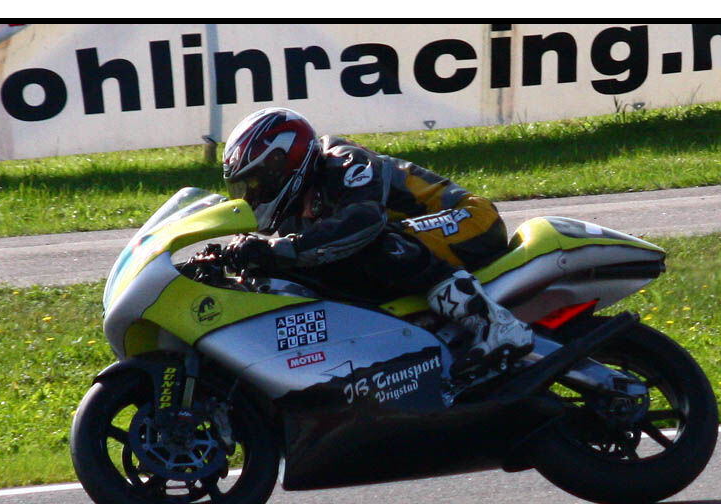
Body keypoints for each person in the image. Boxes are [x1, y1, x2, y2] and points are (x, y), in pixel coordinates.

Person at [219, 107, 533, 375]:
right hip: (421, 236)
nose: (251, 196)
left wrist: (281, 249)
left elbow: (363, 221)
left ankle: (499, 325)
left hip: (470, 218)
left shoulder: (344, 161)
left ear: (281, 168)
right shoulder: (293, 214)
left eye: (255, 183)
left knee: (373, 244)